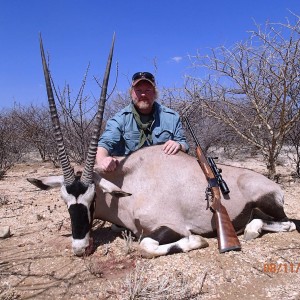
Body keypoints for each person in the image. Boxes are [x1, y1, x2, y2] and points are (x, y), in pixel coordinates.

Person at [96, 71, 189, 172]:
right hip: (131, 176)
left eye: (148, 90)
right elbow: (104, 144)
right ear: (132, 93)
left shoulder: (172, 117)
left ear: (155, 93)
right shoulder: (120, 119)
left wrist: (179, 145)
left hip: (164, 173)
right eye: (139, 90)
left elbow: (183, 143)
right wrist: (103, 160)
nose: (143, 94)